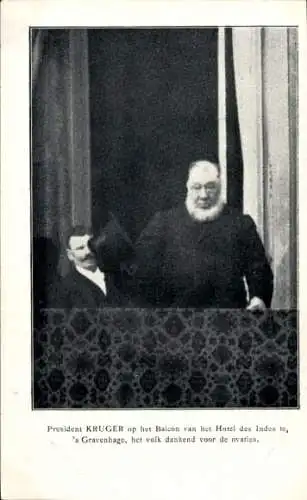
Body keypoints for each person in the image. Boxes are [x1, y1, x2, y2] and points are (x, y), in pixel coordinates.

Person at [134, 159, 273, 310]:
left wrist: (258, 298)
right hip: (176, 319)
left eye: (210, 187)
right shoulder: (163, 223)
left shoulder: (240, 224)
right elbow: (143, 269)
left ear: (219, 188)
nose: (204, 195)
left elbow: (258, 267)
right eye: (197, 187)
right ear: (188, 188)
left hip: (229, 318)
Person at [50, 222, 133, 309]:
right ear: (70, 255)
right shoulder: (64, 288)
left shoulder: (117, 278)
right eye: (80, 248)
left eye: (91, 246)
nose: (88, 252)